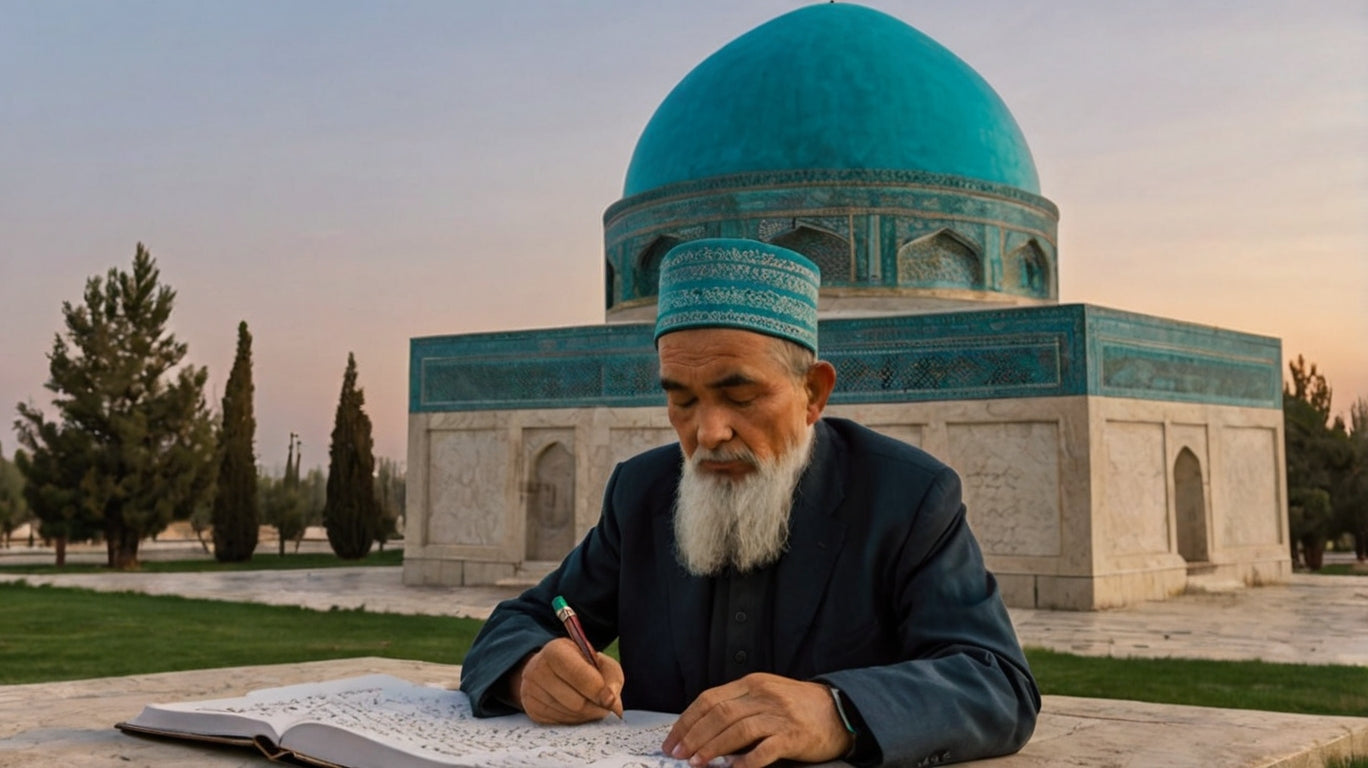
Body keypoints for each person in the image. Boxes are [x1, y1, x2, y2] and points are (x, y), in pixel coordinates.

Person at [459, 239, 1040, 767]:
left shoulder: (905, 497)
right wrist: (529, 670)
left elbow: (997, 684)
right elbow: (527, 620)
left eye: (739, 396)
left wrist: (837, 710)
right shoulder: (642, 494)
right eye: (682, 401)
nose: (709, 432)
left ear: (813, 392)